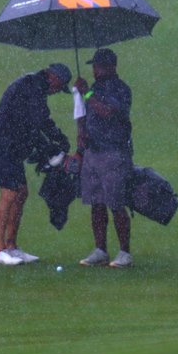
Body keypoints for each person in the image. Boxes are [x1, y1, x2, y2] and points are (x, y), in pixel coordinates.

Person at [0, 63, 72, 265]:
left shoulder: (35, 86)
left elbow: (34, 124)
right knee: (10, 194)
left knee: (21, 193)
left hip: (12, 146)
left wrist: (53, 143)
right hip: (1, 144)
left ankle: (12, 247)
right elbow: (40, 120)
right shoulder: (32, 86)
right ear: (52, 77)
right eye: (59, 86)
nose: (58, 91)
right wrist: (57, 139)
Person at [73, 48, 135, 269]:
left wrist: (87, 93)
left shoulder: (121, 89)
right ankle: (100, 249)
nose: (94, 70)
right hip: (93, 151)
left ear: (110, 67)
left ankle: (124, 252)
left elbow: (107, 111)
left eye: (98, 66)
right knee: (96, 202)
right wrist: (80, 133)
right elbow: (85, 114)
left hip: (113, 153)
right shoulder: (96, 88)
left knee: (116, 203)